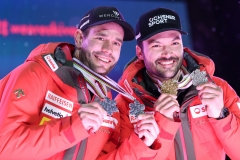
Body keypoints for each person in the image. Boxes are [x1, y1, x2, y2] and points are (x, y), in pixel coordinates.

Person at [0, 6, 160, 160]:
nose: (108, 49)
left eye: (116, 43)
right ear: (79, 38)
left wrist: (140, 144)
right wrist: (73, 127)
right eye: (101, 38)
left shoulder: (107, 103)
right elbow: (4, 147)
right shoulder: (36, 74)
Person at [115, 7, 240, 160]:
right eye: (157, 45)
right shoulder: (127, 104)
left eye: (174, 43)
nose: (168, 53)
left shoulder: (219, 88)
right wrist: (164, 125)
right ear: (140, 52)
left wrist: (222, 116)